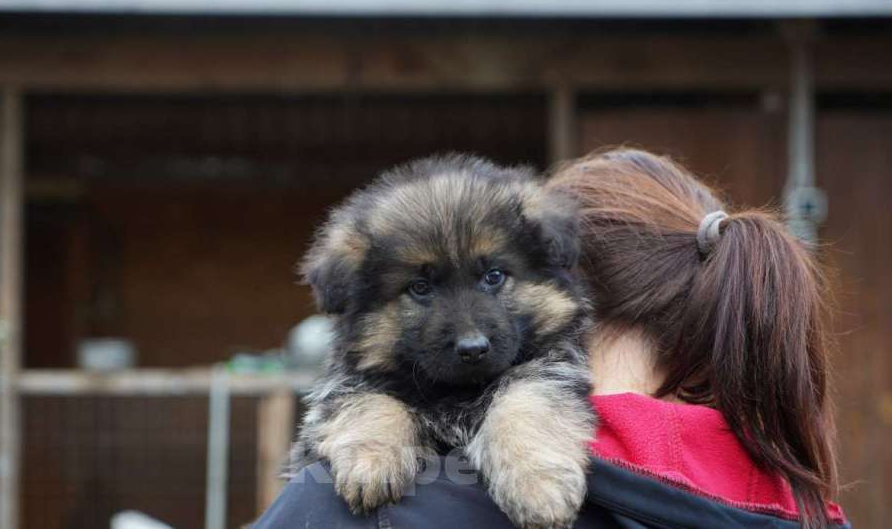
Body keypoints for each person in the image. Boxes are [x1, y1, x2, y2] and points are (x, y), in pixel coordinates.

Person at [254, 148, 848, 528]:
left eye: (494, 278)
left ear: (570, 281)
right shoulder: (804, 505)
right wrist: (375, 425)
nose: (468, 333)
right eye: (420, 290)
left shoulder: (338, 511)